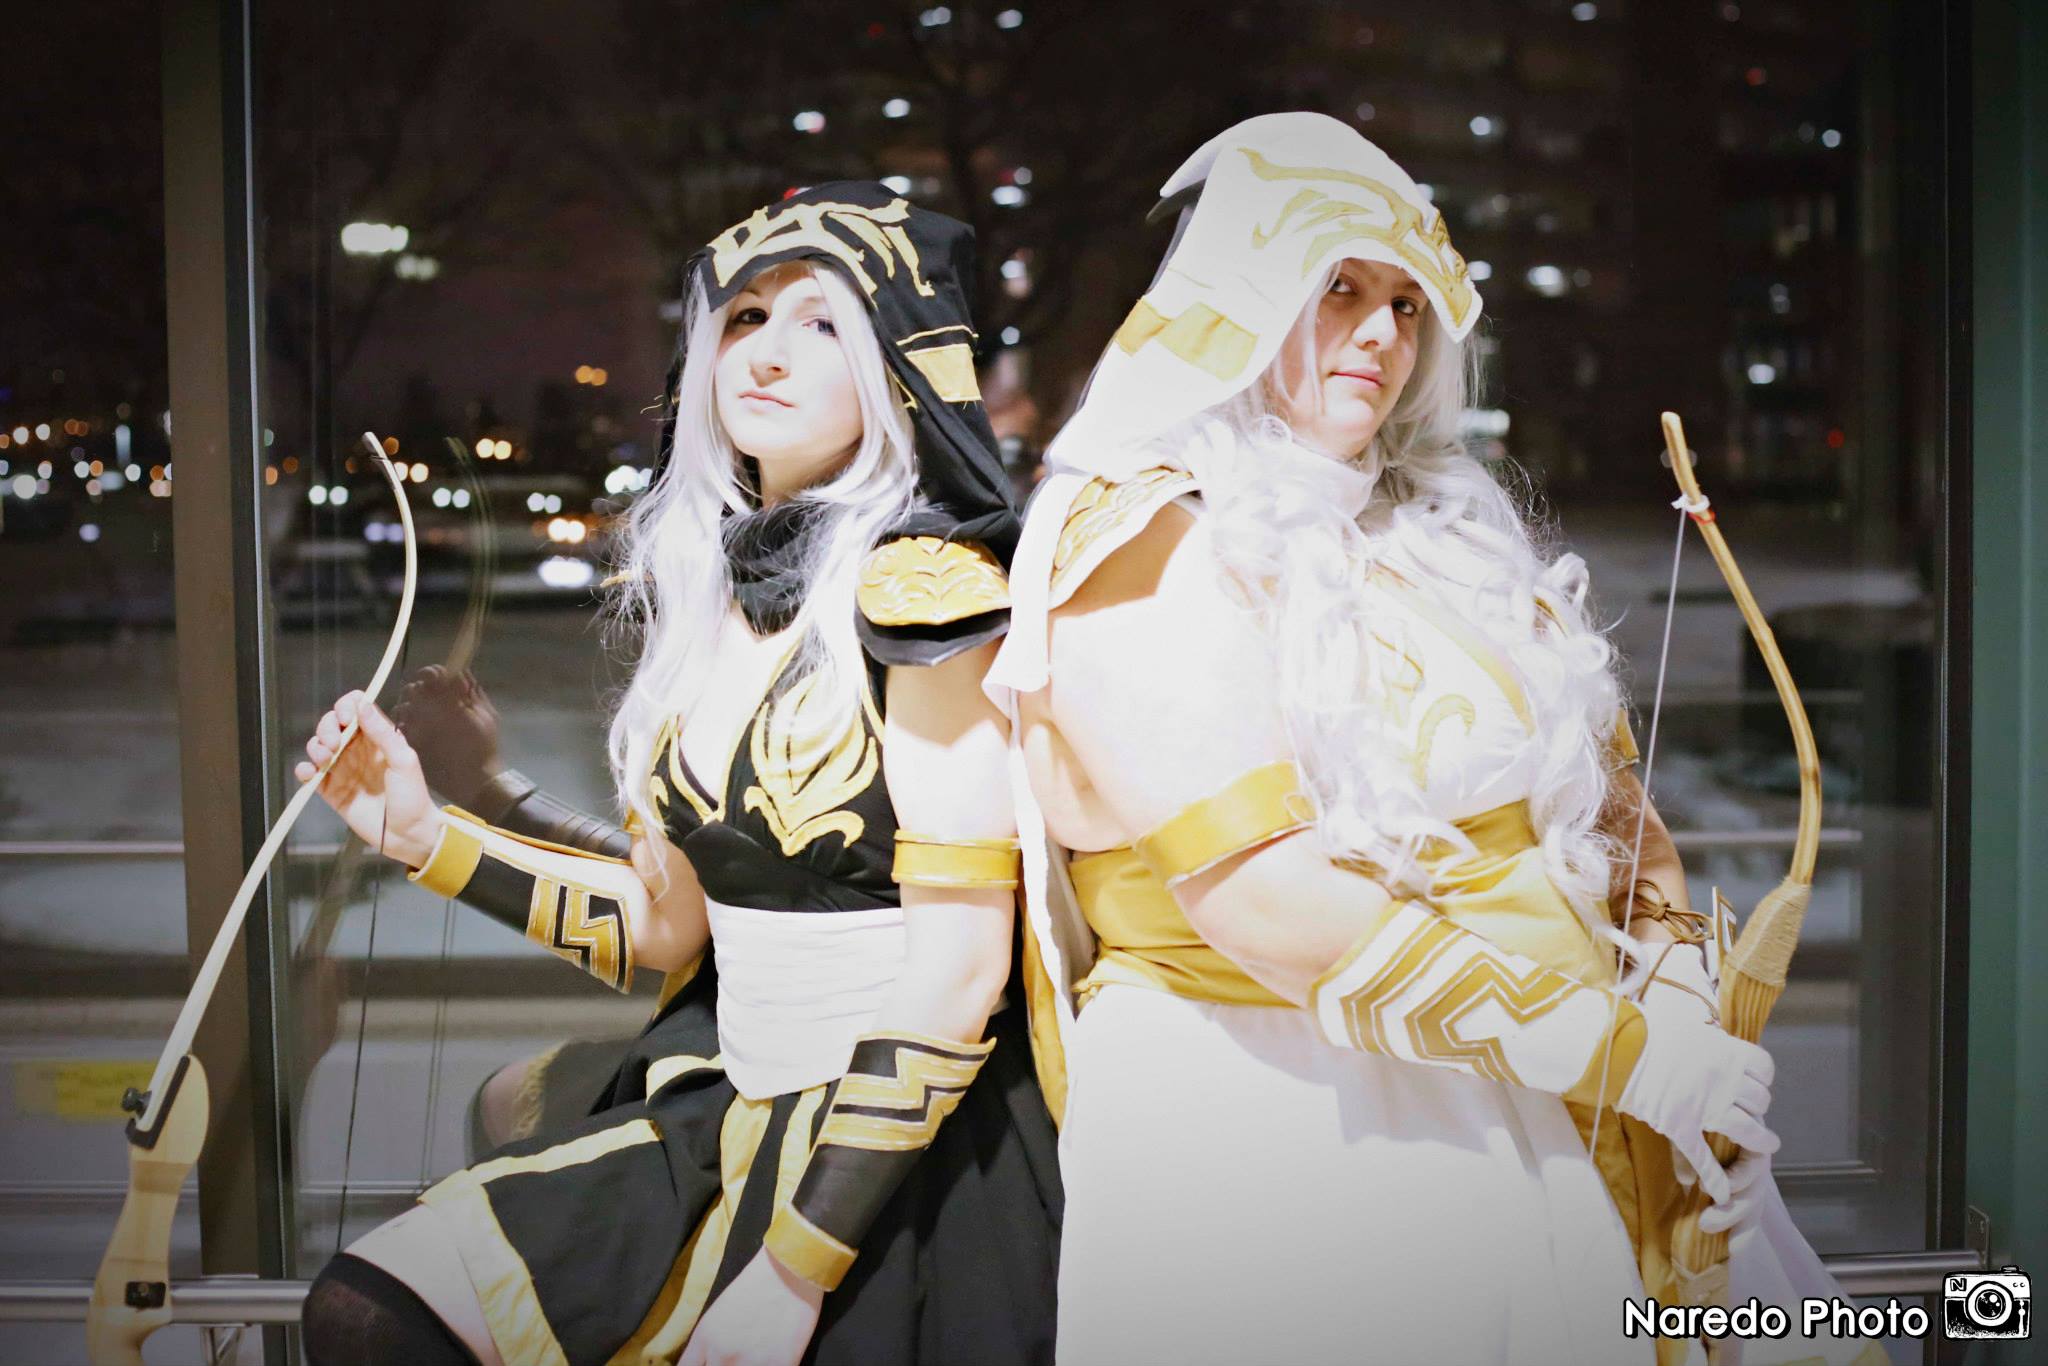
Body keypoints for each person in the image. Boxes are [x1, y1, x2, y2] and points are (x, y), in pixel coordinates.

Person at [984, 112, 1882, 1365]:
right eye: (1338, 287)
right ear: (1235, 294)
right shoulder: (1133, 536)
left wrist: (1682, 1018)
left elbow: (1616, 821)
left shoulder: (1445, 535)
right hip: (1267, 1115)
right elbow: (1262, 900)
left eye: (1406, 304)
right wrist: (1624, 1058)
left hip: (1532, 1093)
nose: (1380, 334)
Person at [294, 182, 1059, 1366]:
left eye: (821, 322)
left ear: (896, 368)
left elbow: (959, 972)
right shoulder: (702, 601)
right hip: (725, 1098)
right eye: (744, 317)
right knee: (365, 1309)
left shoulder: (933, 594)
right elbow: (666, 927)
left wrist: (791, 1274)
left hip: (903, 1154)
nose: (765, 352)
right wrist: (423, 835)